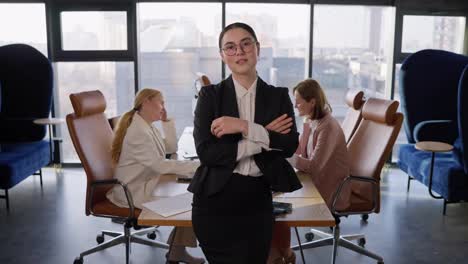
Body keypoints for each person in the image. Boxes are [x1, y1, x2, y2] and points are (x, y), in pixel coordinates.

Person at [188, 22, 302, 264]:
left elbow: (289, 144)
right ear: (222, 56)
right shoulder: (209, 97)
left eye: (245, 44)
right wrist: (264, 136)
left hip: (256, 200)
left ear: (257, 49)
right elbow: (207, 153)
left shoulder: (278, 96)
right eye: (230, 47)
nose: (239, 52)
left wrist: (243, 127)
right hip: (213, 202)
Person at [106, 88, 205, 264]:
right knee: (192, 203)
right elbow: (159, 165)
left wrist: (166, 121)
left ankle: (177, 251)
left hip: (145, 183)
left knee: (190, 199)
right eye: (161, 102)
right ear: (146, 102)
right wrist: (198, 167)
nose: (163, 107)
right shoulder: (138, 131)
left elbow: (170, 148)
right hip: (133, 192)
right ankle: (177, 252)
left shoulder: (144, 125)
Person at [268, 79, 351, 263]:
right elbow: (298, 151)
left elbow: (313, 166)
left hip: (330, 188)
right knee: (273, 197)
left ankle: (282, 253)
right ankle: (282, 253)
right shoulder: (310, 121)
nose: (295, 105)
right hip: (313, 180)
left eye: (298, 101)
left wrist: (285, 157)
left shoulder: (328, 127)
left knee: (278, 204)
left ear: (312, 102)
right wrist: (279, 150)